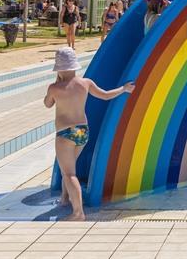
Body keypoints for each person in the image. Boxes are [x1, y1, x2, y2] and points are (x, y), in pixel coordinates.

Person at [44, 47, 135, 220]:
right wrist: (123, 89)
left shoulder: (55, 88)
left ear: (59, 69)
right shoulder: (85, 83)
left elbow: (47, 104)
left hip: (65, 133)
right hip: (82, 132)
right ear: (74, 66)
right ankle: (64, 199)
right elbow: (106, 95)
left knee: (69, 173)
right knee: (68, 168)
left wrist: (56, 84)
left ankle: (78, 213)